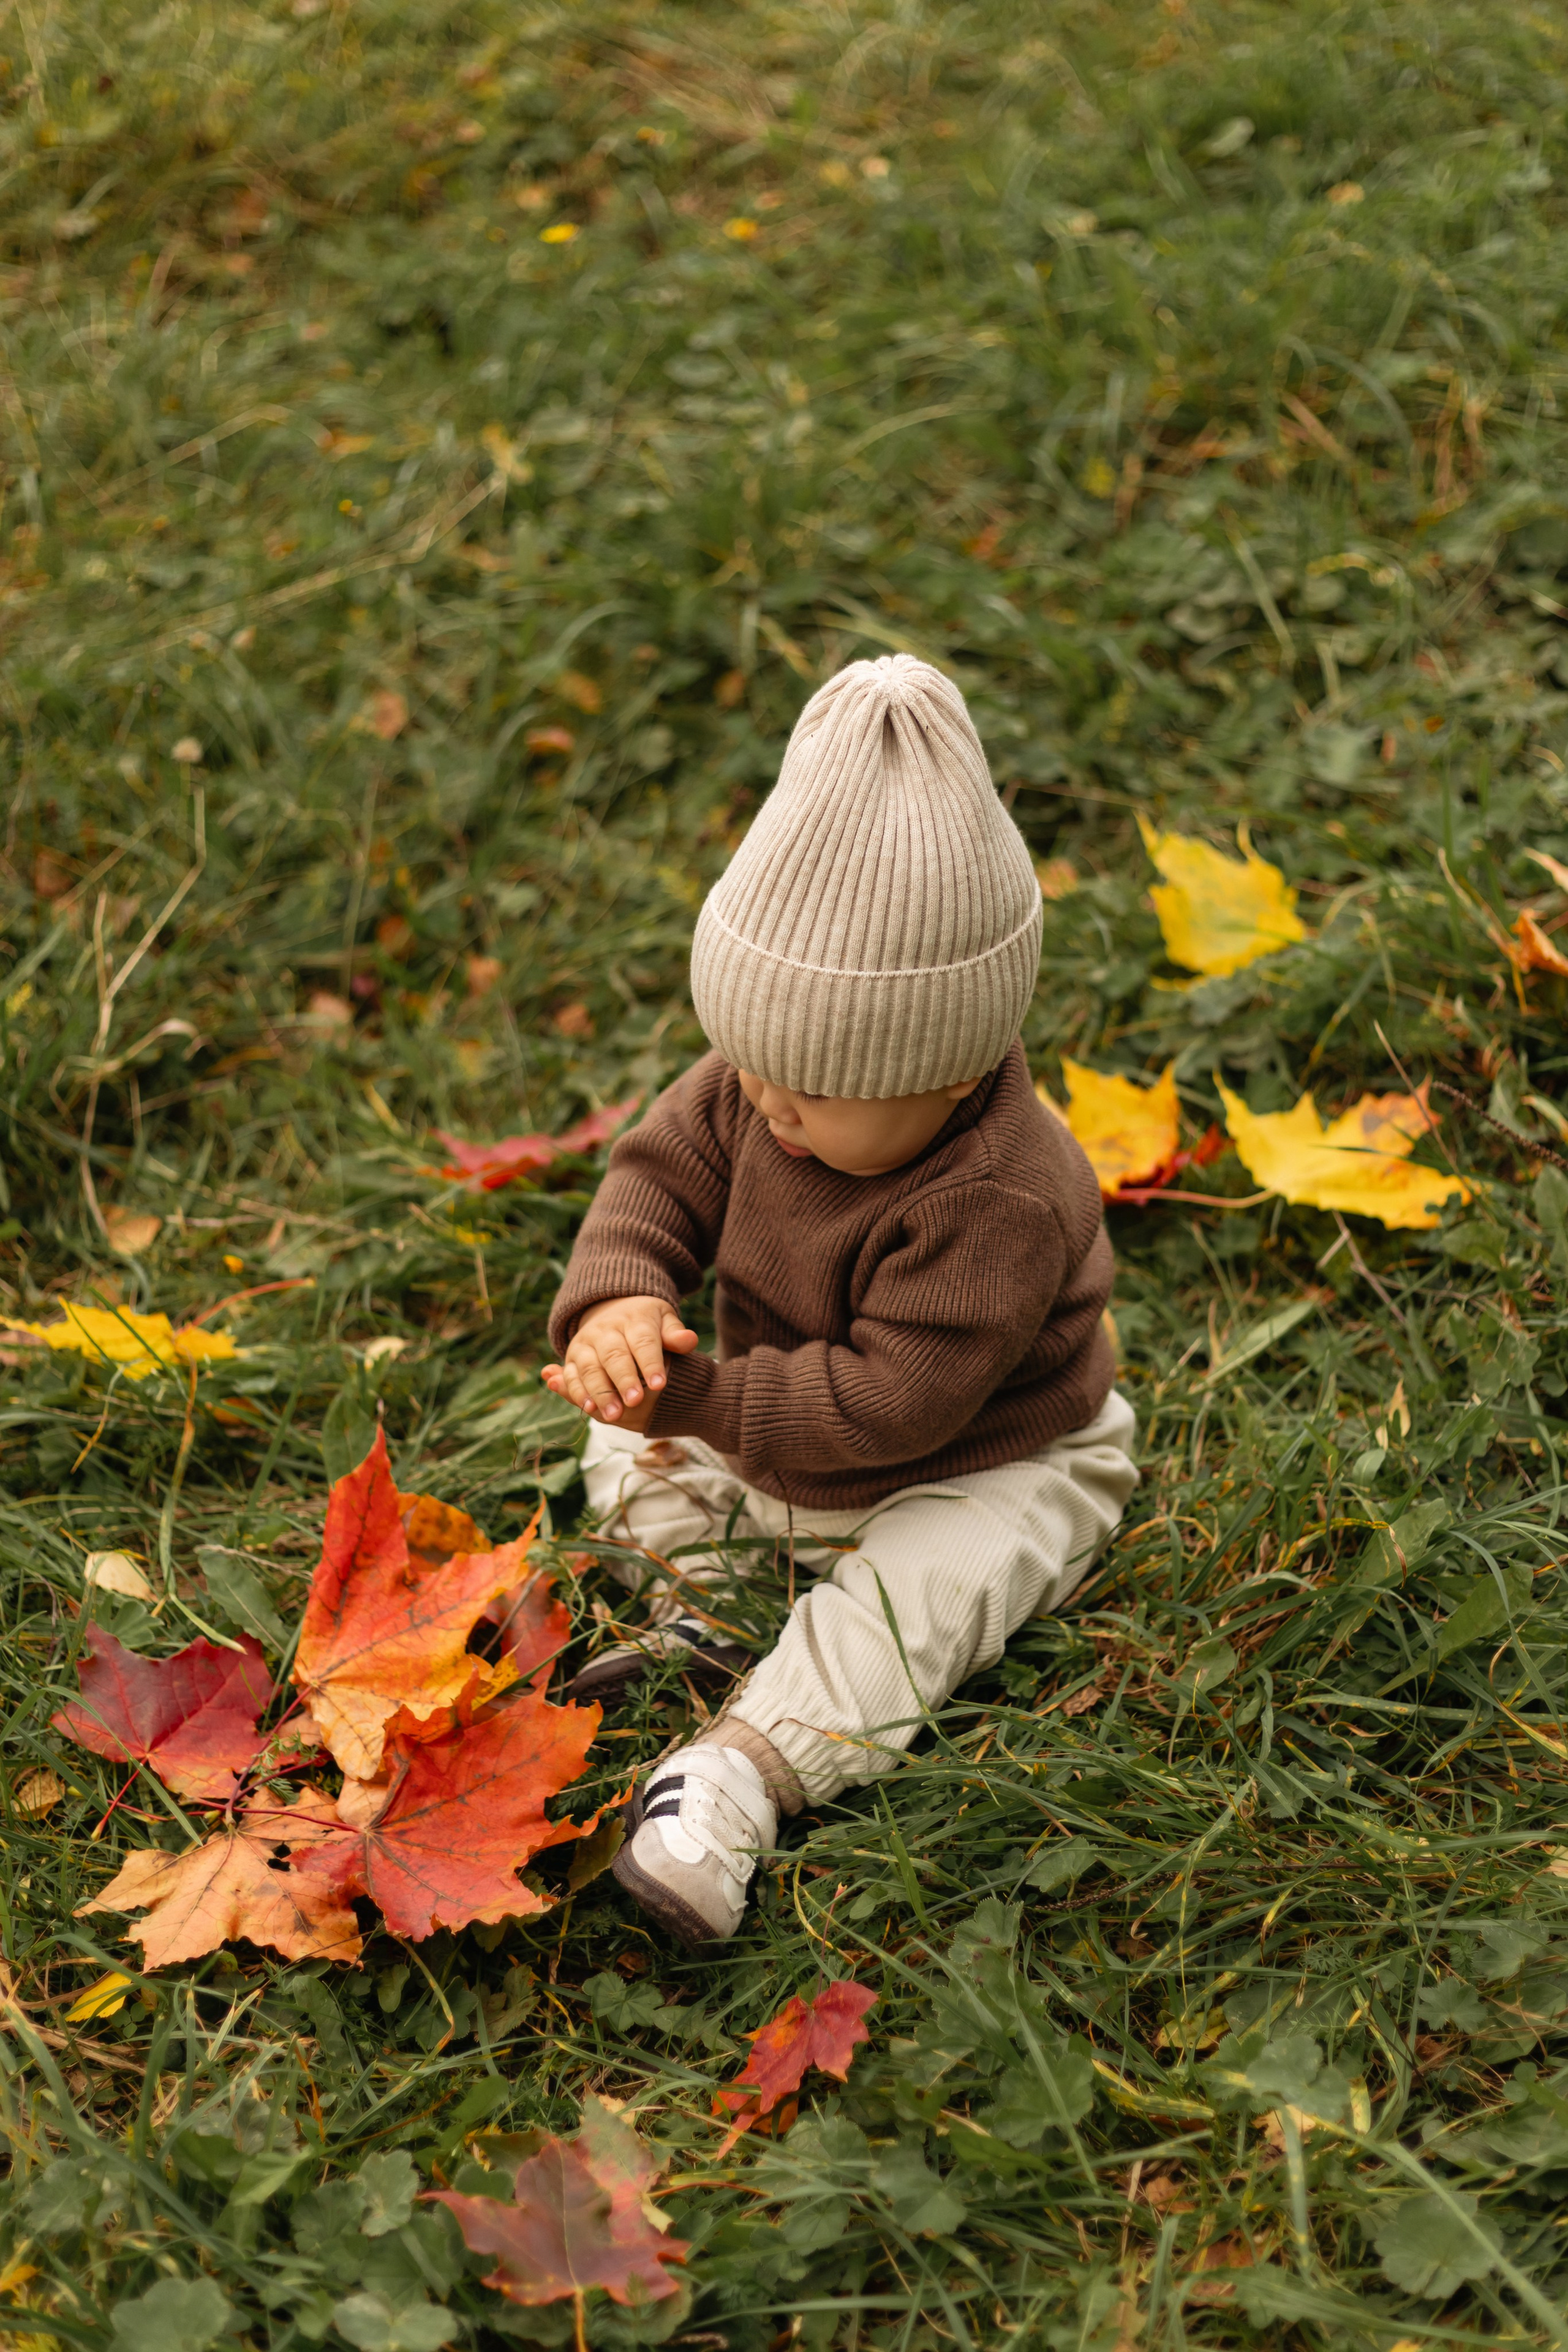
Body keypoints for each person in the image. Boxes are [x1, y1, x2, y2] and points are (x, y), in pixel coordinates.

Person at [542, 654, 1137, 1946]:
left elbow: (888, 1408)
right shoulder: (760, 1084)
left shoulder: (1000, 1198)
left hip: (975, 1458)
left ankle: (741, 1773)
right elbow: (655, 1181)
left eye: (808, 1086)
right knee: (618, 1421)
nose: (765, 1104)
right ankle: (699, 1599)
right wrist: (620, 1310)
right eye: (748, 1063)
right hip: (773, 1429)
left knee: (927, 1593)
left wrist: (700, 1398)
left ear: (950, 1069)